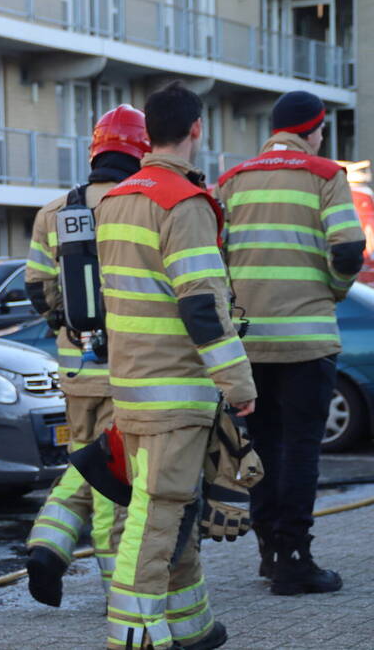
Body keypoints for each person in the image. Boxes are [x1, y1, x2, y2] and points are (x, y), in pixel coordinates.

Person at [95, 82, 256, 650]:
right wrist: (238, 384)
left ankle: (191, 625)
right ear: (196, 129)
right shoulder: (182, 203)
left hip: (133, 386)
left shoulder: (115, 199)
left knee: (172, 505)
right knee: (159, 511)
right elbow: (202, 308)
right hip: (176, 390)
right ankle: (135, 634)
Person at [215, 90, 363, 595]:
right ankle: (295, 559)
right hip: (308, 343)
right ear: (314, 129)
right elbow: (347, 251)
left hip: (249, 347)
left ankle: (269, 554)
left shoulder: (232, 182)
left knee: (262, 447)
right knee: (302, 448)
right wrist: (332, 293)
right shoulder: (325, 176)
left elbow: (215, 262)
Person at [23, 105, 149, 606]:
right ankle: (116, 587)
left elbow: (37, 286)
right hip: (130, 369)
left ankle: (49, 543)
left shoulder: (53, 212)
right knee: (113, 477)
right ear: (140, 151)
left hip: (75, 369)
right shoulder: (140, 202)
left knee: (85, 460)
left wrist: (65, 324)